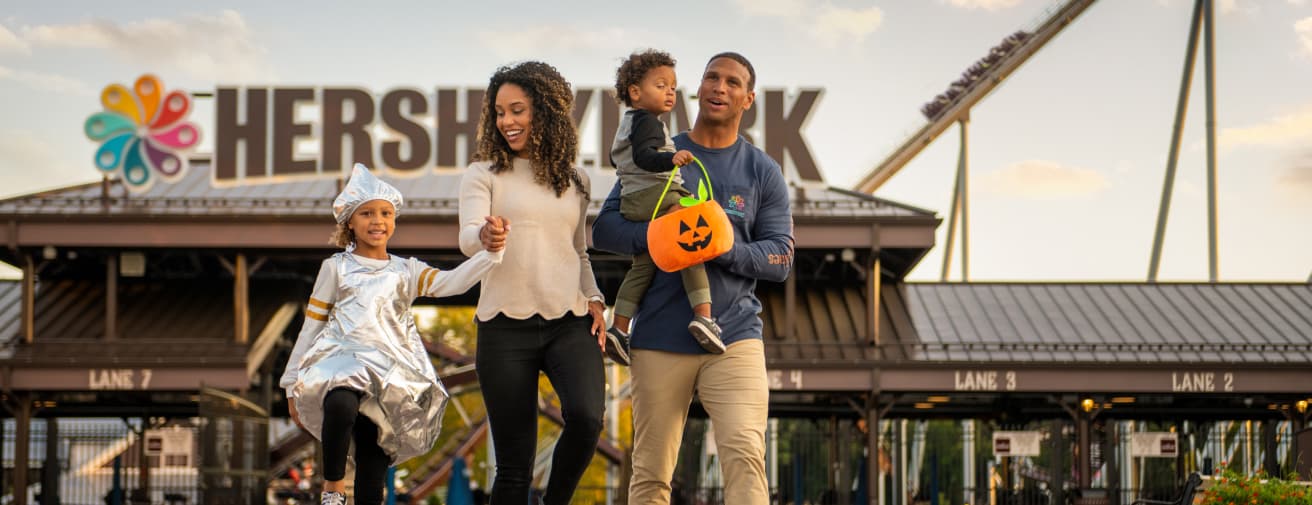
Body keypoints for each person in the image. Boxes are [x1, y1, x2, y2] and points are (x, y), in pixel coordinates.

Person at [593, 52, 794, 505]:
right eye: (711, 78)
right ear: (698, 89)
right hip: (659, 337)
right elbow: (604, 229)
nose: (720, 87)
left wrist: (721, 246)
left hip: (734, 336)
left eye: (732, 82)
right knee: (650, 473)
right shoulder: (659, 151)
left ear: (748, 99)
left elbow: (781, 257)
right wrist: (665, 237)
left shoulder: (762, 170)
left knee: (745, 457)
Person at [280, 164, 503, 505]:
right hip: (342, 362)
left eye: (385, 213)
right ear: (349, 222)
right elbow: (312, 325)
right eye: (367, 213)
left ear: (394, 220)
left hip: (389, 376)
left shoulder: (406, 270)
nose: (377, 221)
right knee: (340, 403)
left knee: (373, 454)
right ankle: (333, 488)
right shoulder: (335, 268)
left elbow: (451, 282)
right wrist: (290, 382)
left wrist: (492, 254)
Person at [458, 60, 607, 505]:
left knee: (587, 419)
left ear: (545, 110)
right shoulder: (483, 174)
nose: (507, 121)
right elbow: (467, 237)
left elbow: (578, 251)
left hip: (570, 321)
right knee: (513, 468)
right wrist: (485, 237)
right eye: (500, 112)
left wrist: (595, 298)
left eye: (517, 110)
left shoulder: (576, 180)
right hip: (503, 328)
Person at [602, 49, 723, 368]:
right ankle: (704, 316)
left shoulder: (627, 123)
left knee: (644, 264)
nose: (670, 92)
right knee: (691, 247)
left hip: (634, 201)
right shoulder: (647, 122)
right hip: (660, 195)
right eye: (660, 85)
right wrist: (671, 158)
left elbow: (617, 160)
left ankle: (619, 328)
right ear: (635, 92)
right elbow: (643, 157)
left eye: (672, 86)